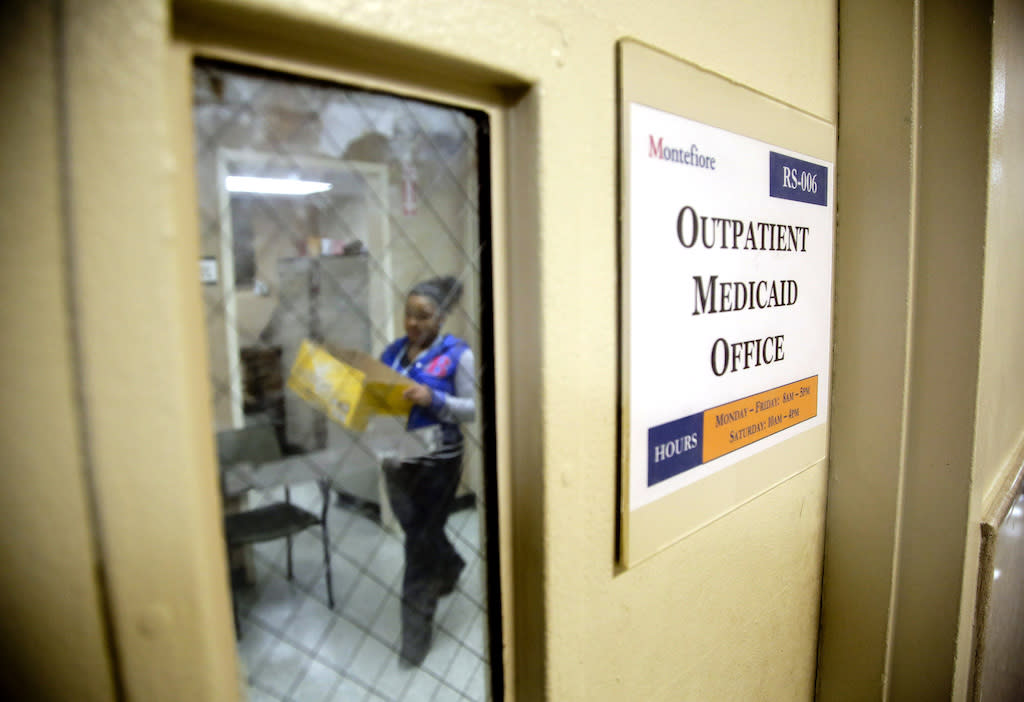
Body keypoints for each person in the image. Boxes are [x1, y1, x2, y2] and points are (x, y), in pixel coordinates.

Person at [380, 275, 476, 667]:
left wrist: (431, 397)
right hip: (396, 461)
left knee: (417, 547)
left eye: (423, 316)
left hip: (439, 463)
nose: (414, 323)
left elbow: (472, 408)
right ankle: (451, 564)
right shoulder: (391, 352)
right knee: (420, 532)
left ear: (440, 318)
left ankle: (414, 640)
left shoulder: (458, 356)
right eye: (409, 314)